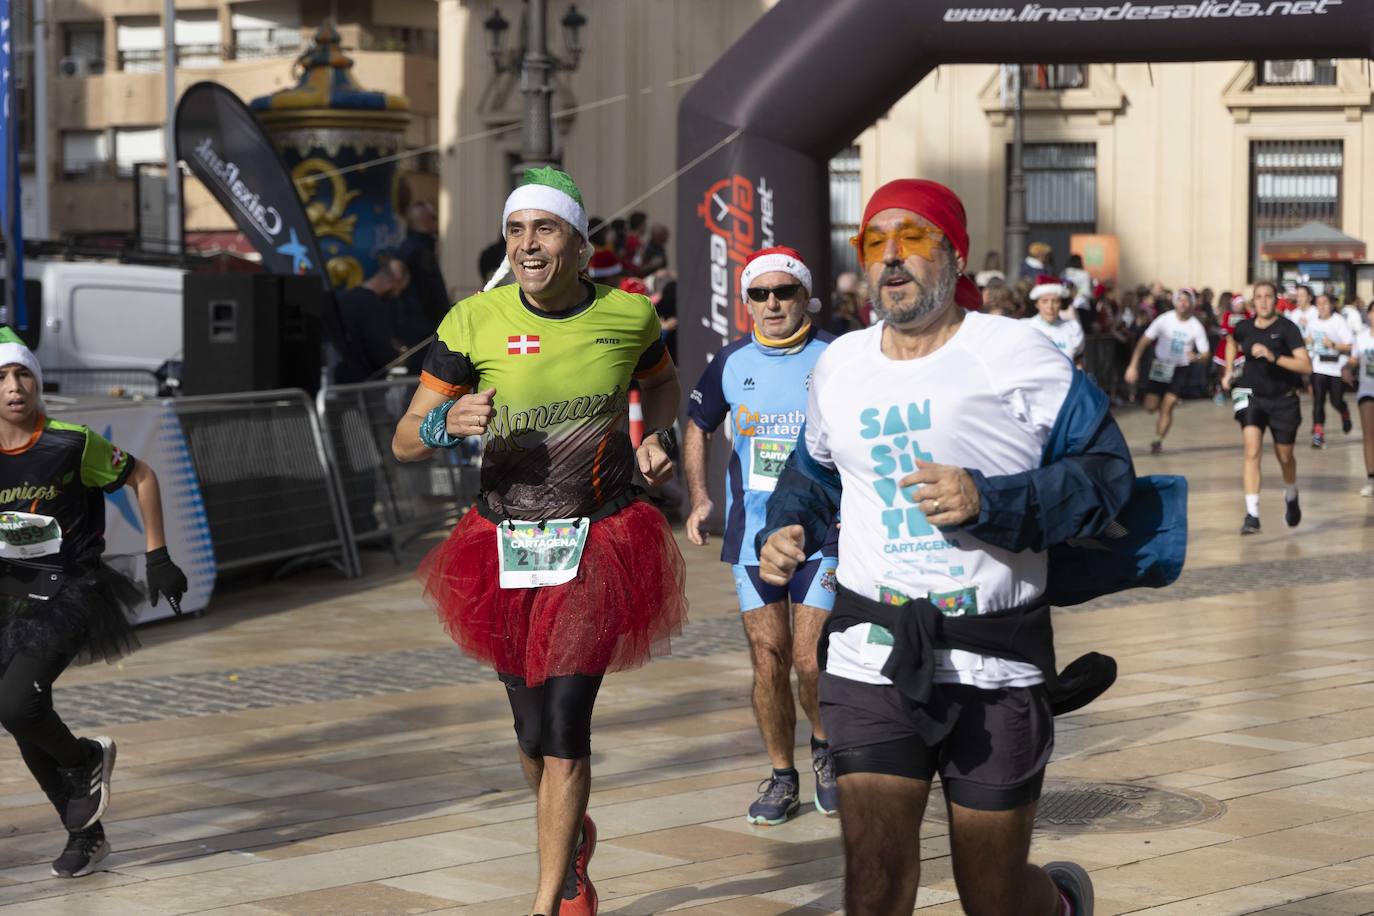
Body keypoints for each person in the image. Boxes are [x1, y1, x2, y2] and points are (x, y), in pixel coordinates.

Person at [759, 178, 1134, 916]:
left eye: (914, 239)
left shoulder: (1017, 352)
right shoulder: (840, 365)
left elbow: (1108, 475)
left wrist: (991, 502)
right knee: (874, 881)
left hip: (993, 658)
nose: (892, 258)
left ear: (955, 255)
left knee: (992, 895)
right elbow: (815, 471)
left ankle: (1057, 903)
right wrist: (789, 523)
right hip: (872, 652)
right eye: (875, 243)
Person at [391, 167, 688, 916]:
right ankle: (571, 835)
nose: (528, 244)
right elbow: (403, 441)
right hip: (504, 543)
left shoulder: (629, 315)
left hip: (599, 538)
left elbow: (662, 385)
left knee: (564, 727)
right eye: (517, 229)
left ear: (581, 248)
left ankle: (554, 897)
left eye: (546, 229)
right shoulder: (473, 321)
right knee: (529, 733)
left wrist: (657, 434)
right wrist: (442, 424)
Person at [0, 328, 188, 879]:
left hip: (71, 588)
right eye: (2, 378)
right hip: (10, 591)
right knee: (20, 717)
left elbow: (143, 476)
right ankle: (87, 835)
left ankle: (86, 759)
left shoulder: (71, 442)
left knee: (17, 706)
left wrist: (158, 556)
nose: (14, 387)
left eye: (23, 374)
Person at [684, 247, 840, 826]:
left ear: (805, 297)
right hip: (753, 535)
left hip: (821, 530)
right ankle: (782, 775)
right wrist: (699, 497)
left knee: (810, 657)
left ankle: (826, 751)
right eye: (759, 294)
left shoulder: (837, 356)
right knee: (768, 658)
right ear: (746, 302)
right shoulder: (729, 361)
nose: (772, 303)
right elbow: (696, 425)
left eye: (784, 292)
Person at [1222, 280, 1312, 535]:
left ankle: (1292, 493)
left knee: (1285, 457)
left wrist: (1274, 357)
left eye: (1268, 296)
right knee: (1252, 450)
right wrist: (1228, 371)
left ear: (1276, 300)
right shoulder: (1244, 328)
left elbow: (1306, 367)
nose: (1263, 301)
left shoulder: (1288, 328)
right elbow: (1231, 341)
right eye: (1258, 297)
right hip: (1251, 395)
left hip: (1283, 399)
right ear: (1253, 302)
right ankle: (1252, 514)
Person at [1124, 289, 1210, 455]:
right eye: (1180, 300)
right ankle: (1158, 405)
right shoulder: (1164, 320)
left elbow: (1206, 354)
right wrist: (1133, 365)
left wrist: (1198, 357)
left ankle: (1158, 440)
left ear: (1191, 304)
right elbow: (1143, 341)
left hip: (1181, 368)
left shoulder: (1195, 326)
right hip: (1162, 366)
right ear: (1175, 302)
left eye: (1186, 300)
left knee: (1167, 407)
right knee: (1150, 406)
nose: (1183, 303)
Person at [333, 256, 411, 384]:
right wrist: (398, 354)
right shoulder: (374, 306)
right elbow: (380, 349)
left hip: (342, 379)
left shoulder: (348, 298)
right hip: (364, 384)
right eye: (399, 289)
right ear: (394, 281)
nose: (397, 294)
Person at [1304, 292, 1354, 448]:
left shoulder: (1338, 321)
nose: (1322, 307)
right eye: (1319, 304)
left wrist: (1333, 345)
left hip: (1336, 367)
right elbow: (1307, 342)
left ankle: (1344, 412)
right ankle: (1318, 434)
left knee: (1335, 400)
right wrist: (1309, 342)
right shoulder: (1312, 323)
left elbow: (1350, 345)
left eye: (1325, 303)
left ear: (1332, 305)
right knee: (1318, 400)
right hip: (1319, 366)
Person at [397, 201, 451, 328]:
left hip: (412, 324)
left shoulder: (406, 247)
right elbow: (432, 295)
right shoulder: (421, 253)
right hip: (422, 327)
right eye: (434, 218)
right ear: (427, 220)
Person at [1344, 302, 1374, 497]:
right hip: (1367, 390)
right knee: (1369, 435)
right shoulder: (1361, 337)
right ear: (1369, 315)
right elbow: (1353, 358)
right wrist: (1346, 368)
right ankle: (1371, 478)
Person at [1022, 273, 1084, 361]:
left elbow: (1078, 361)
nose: (1050, 306)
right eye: (1044, 301)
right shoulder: (1026, 327)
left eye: (1055, 301)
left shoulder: (1072, 329)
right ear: (1036, 304)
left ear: (1061, 304)